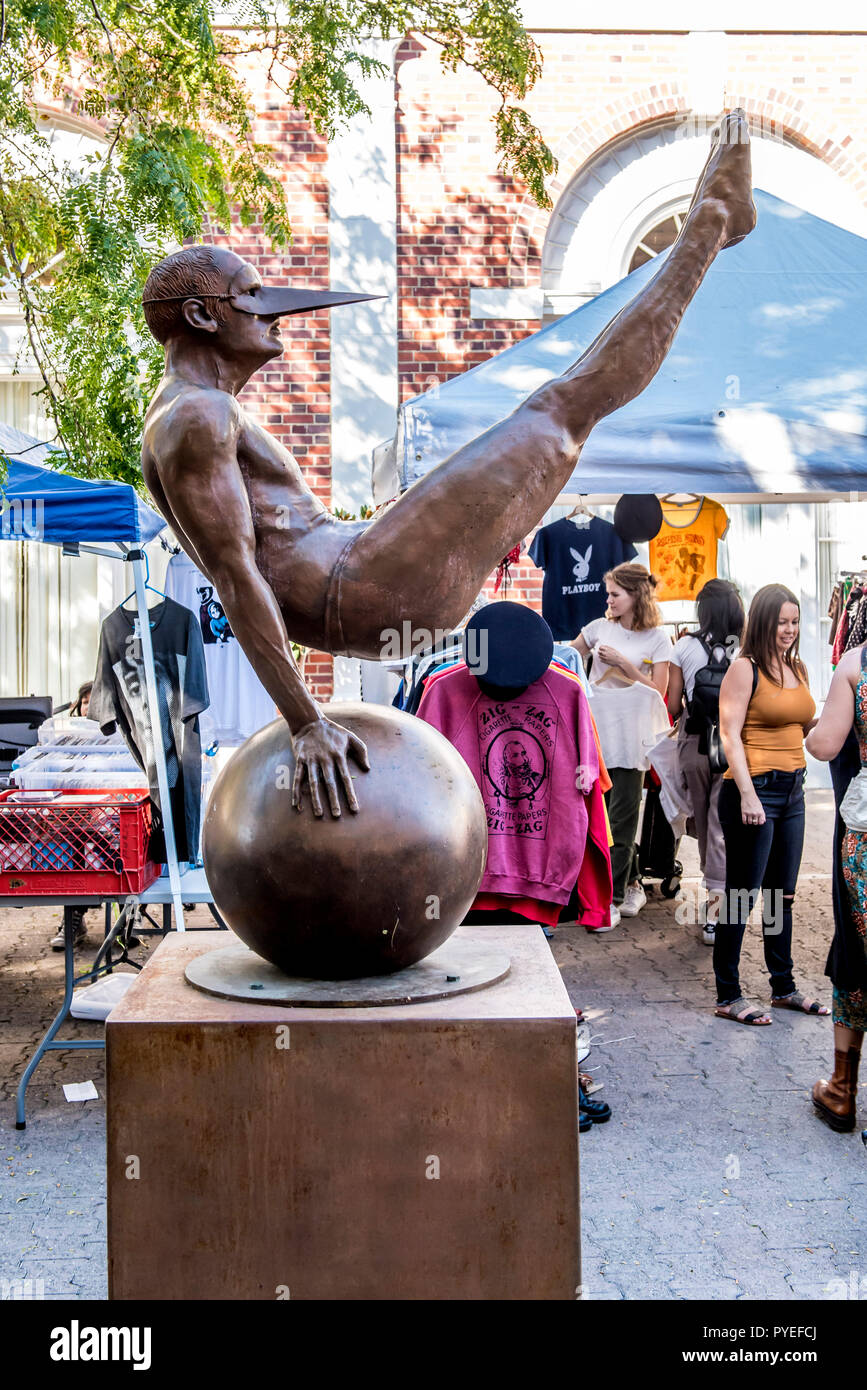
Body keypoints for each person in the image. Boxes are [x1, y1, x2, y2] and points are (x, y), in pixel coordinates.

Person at [138, 112, 755, 818]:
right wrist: (305, 719)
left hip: (364, 575)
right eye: (251, 298)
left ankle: (710, 222)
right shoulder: (196, 415)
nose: (274, 314)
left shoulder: (190, 411)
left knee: (562, 415)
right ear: (201, 315)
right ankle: (709, 223)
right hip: (365, 582)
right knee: (561, 410)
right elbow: (234, 575)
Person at [714, 583, 826, 1024]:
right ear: (763, 621)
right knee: (742, 896)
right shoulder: (745, 669)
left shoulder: (796, 666)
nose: (790, 630)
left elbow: (801, 723)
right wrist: (747, 794)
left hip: (794, 791)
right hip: (753, 791)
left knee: (783, 896)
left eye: (795, 622)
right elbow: (729, 734)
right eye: (783, 622)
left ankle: (784, 987)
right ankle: (728, 995)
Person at [573, 563, 672, 927]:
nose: (609, 599)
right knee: (598, 818)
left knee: (622, 819)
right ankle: (631, 883)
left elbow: (658, 691)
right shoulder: (598, 628)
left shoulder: (658, 638)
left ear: (635, 596)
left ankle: (610, 899)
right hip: (598, 734)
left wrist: (622, 664)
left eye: (615, 593)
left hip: (632, 737)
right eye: (609, 593)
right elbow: (568, 659)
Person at [805, 644, 867, 1132]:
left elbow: (825, 746)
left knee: (856, 950)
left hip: (864, 837)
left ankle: (842, 1092)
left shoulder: (857, 664)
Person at [667, 580, 745, 946]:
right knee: (720, 825)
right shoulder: (747, 649)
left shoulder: (683, 645)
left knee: (705, 822)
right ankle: (718, 911)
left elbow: (670, 705)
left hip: (696, 745)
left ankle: (712, 909)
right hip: (736, 746)